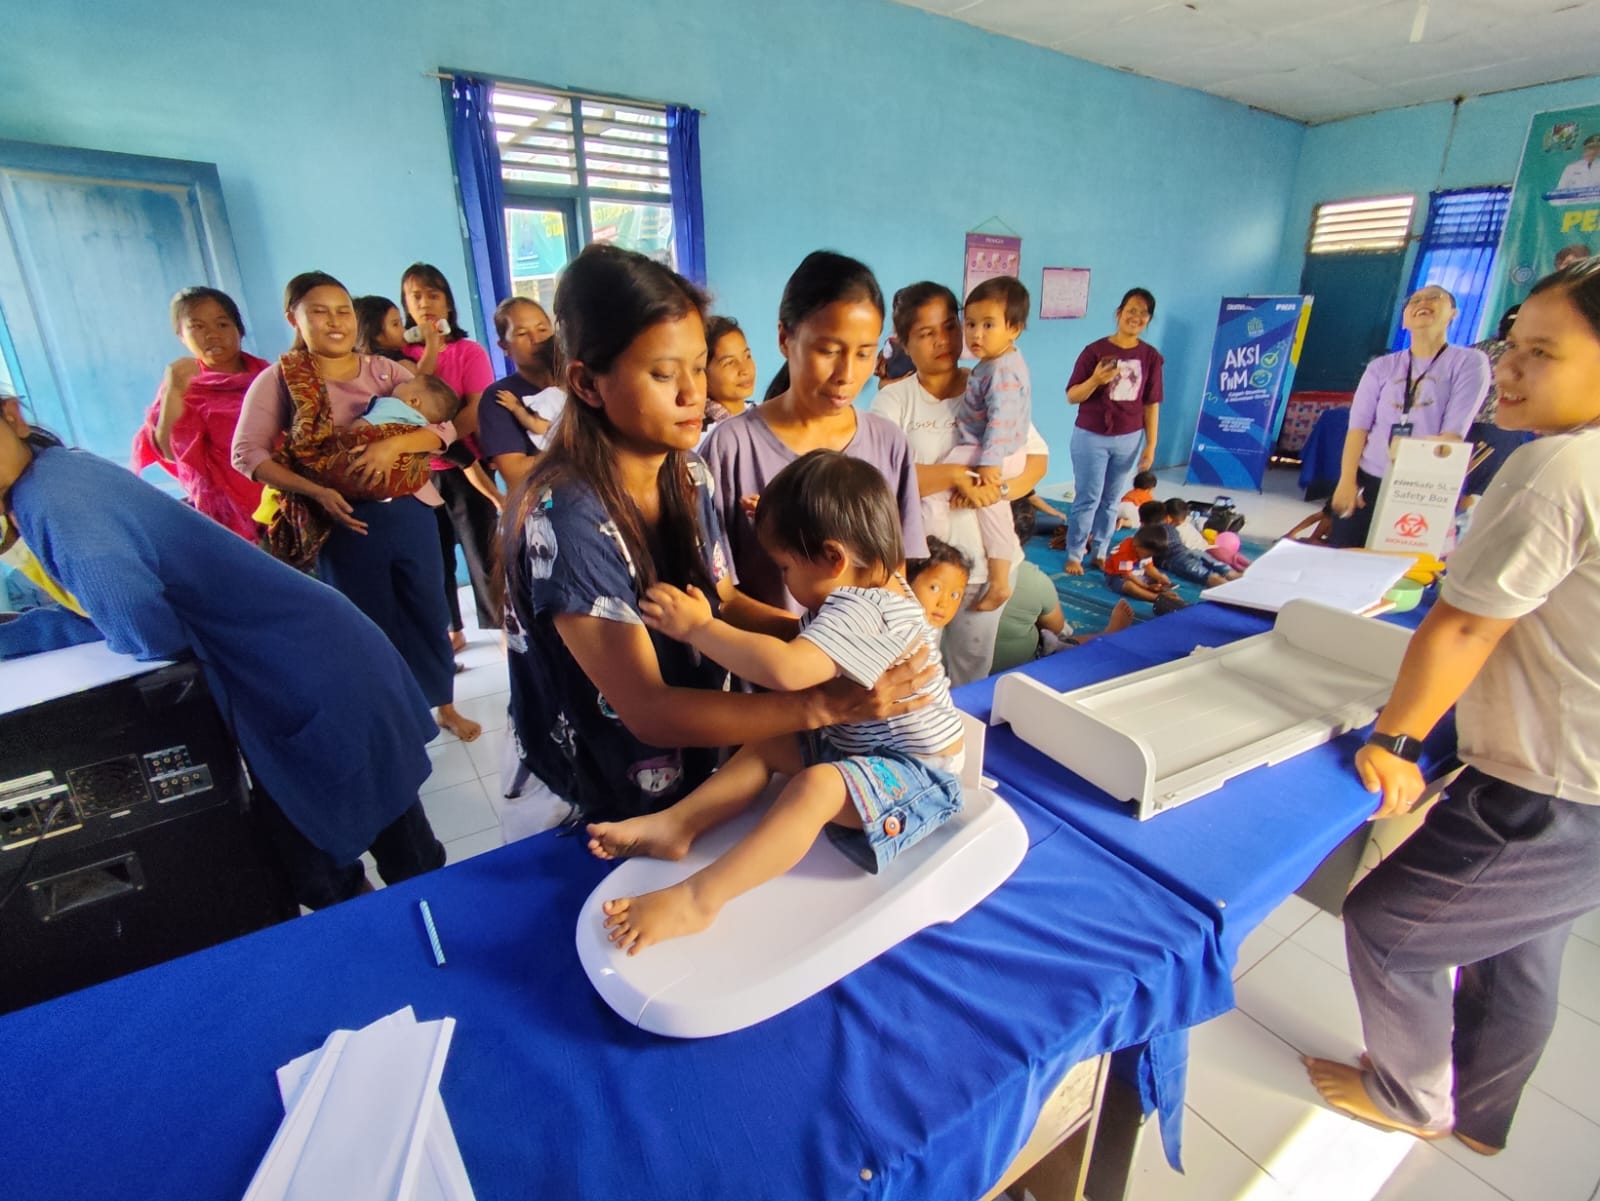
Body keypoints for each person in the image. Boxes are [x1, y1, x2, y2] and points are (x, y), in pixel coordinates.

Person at [1304, 259, 1600, 1156]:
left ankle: (1409, 1095)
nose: (1508, 369)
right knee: (1522, 942)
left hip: (1553, 782)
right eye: (1510, 347)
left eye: (1540, 354)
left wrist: (1397, 738)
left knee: (1391, 926)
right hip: (1580, 767)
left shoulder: (1556, 468)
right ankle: (1485, 1119)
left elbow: (1466, 627)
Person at [499, 244, 937, 827]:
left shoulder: (688, 472)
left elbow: (723, 601)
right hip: (608, 784)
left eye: (699, 366)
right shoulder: (567, 517)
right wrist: (821, 703)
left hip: (703, 751)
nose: (692, 394)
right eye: (662, 374)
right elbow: (649, 711)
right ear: (586, 382)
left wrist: (846, 647)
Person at [2, 395, 445, 909]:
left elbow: (141, 627)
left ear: (11, 414)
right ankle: (399, 946)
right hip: (309, 654)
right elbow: (118, 606)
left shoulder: (51, 499)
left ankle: (425, 953)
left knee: (362, 853)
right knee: (351, 846)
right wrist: (22, 634)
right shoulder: (56, 472)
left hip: (308, 671)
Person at [588, 450, 964, 954]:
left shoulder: (864, 608)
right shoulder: (876, 581)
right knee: (771, 744)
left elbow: (788, 670)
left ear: (833, 557)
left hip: (918, 776)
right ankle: (678, 826)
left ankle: (702, 898)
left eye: (786, 565)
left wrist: (702, 629)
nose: (784, 578)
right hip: (862, 747)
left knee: (815, 787)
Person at [233, 271, 481, 742]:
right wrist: (317, 492)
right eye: (319, 312)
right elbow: (247, 454)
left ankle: (443, 705)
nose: (335, 322)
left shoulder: (386, 372)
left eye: (343, 310)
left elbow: (445, 429)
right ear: (294, 318)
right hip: (342, 521)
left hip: (410, 511)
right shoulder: (282, 380)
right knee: (369, 624)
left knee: (427, 611)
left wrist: (397, 445)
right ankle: (392, 718)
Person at [702, 251, 926, 616]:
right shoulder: (731, 449)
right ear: (784, 338)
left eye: (864, 353)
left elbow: (894, 579)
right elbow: (720, 595)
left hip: (861, 668)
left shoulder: (889, 445)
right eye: (829, 350)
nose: (847, 374)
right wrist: (806, 652)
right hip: (765, 667)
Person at [871, 281, 1050, 685]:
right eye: (926, 333)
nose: (944, 341)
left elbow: (1035, 459)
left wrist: (996, 492)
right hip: (922, 570)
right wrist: (954, 477)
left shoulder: (989, 382)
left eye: (950, 327)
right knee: (915, 671)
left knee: (972, 671)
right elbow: (882, 480)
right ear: (902, 342)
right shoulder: (894, 402)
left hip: (984, 568)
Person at [1328, 285, 1491, 548]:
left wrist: (1416, 484)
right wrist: (1347, 480)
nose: (1422, 303)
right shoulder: (1381, 367)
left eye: (1434, 298)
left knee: (1401, 565)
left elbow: (1452, 435)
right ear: (1404, 320)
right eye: (1414, 300)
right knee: (1344, 554)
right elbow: (1358, 427)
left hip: (1422, 485)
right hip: (1369, 477)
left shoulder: (1469, 362)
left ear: (1453, 313)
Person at [399, 263, 501, 651]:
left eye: (434, 294)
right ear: (405, 304)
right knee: (432, 557)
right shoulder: (399, 356)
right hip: (417, 475)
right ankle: (451, 629)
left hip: (464, 465)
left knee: (483, 550)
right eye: (416, 296)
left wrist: (440, 441)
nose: (425, 303)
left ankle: (500, 626)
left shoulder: (468, 351)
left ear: (449, 302)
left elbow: (476, 407)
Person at [919, 276, 1032, 612]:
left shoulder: (1001, 370)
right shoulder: (995, 364)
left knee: (936, 488)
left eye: (988, 325)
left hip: (990, 450)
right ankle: (999, 580)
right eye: (970, 324)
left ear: (1014, 329)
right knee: (992, 511)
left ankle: (925, 552)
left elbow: (1001, 418)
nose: (976, 334)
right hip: (995, 450)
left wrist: (989, 464)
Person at [131, 287, 267, 541]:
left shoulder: (270, 377)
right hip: (227, 516)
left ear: (239, 329)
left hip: (286, 500)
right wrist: (173, 394)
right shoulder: (182, 385)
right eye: (198, 327)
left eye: (222, 324)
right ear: (181, 335)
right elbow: (170, 452)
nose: (212, 335)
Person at [1063, 289, 1164, 575]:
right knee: (1088, 497)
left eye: (1143, 313)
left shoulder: (1150, 357)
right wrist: (1095, 379)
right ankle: (1075, 552)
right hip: (1090, 436)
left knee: (1111, 499)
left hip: (1129, 438)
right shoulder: (1093, 351)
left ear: (1148, 320)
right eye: (1131, 310)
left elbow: (1151, 403)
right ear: (1118, 313)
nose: (1136, 317)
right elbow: (1072, 396)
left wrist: (1151, 445)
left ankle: (1101, 550)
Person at [478, 296, 559, 491]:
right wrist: (581, 453)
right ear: (504, 347)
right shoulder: (499, 397)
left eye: (542, 330)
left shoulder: (579, 382)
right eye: (522, 333)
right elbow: (516, 474)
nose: (536, 340)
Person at [1464, 305, 1533, 504]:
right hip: (1500, 429)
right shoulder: (1529, 357)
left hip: (1463, 427)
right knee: (1478, 494)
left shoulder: (1476, 350)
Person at [1139, 500, 1236, 586]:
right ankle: (1240, 579)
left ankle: (1233, 592)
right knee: (1225, 570)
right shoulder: (1171, 528)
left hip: (1176, 560)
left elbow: (1147, 555)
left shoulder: (1147, 534)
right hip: (1193, 551)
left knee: (1209, 577)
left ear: (1142, 522)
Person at [354, 294, 441, 377]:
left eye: (401, 323)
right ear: (376, 334)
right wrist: (432, 343)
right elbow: (421, 379)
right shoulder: (392, 363)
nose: (403, 329)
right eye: (395, 324)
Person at [906, 537, 971, 633]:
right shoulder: (895, 632)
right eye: (934, 588)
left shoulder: (926, 635)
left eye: (955, 595)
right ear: (907, 581)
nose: (944, 603)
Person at [702, 315, 756, 427]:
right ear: (703, 372)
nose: (744, 370)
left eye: (747, 356)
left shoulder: (763, 414)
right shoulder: (703, 433)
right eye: (729, 362)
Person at [1102, 525, 1175, 604]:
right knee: (1128, 586)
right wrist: (1146, 586)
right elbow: (1127, 576)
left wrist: (1159, 577)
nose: (1149, 557)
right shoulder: (1125, 553)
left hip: (1135, 573)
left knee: (1156, 580)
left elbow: (1149, 567)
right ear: (1137, 547)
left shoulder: (1144, 547)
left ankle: (1159, 592)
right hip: (1116, 576)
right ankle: (1155, 597)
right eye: (1148, 555)